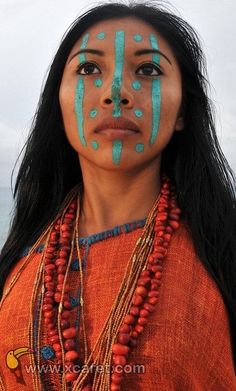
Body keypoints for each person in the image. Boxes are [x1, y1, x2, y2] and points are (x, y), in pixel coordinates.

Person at [0, 2, 235, 390]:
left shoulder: (221, 252)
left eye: (148, 70)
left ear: (182, 112)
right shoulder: (22, 262)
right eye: (89, 69)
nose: (115, 93)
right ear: (58, 104)